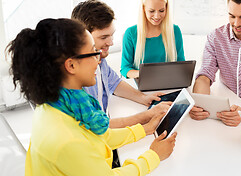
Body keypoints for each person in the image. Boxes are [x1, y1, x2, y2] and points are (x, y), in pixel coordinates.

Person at [6, 18, 177, 175]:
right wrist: (154, 155)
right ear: (71, 65)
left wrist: (145, 129)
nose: (99, 58)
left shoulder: (62, 104)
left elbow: (98, 137)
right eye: (93, 52)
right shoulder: (67, 140)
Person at [71, 0, 169, 129]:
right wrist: (147, 117)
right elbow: (97, 125)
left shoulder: (100, 59)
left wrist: (143, 98)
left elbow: (115, 83)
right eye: (104, 37)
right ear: (84, 37)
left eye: (111, 35)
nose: (111, 43)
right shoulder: (75, 78)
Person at [121, 0, 185, 79]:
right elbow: (125, 68)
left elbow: (181, 64)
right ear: (143, 9)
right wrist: (144, 74)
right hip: (142, 86)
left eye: (161, 11)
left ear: (166, 8)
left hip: (169, 85)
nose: (157, 16)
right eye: (151, 11)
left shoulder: (175, 31)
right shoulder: (131, 33)